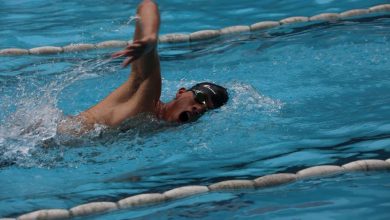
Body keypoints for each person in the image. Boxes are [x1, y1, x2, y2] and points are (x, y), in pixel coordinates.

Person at [59, 0, 228, 134]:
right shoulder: (147, 97)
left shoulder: (157, 127)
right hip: (47, 137)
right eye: (200, 98)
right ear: (181, 92)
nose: (199, 108)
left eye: (205, 110)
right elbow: (148, 5)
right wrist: (150, 40)